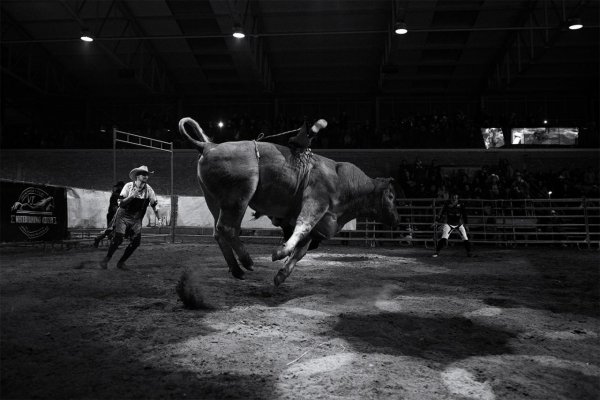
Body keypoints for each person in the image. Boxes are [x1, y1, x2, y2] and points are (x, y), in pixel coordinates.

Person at [100, 166, 159, 269]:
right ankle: (107, 259)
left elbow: (154, 205)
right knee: (118, 238)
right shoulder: (128, 186)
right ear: (137, 176)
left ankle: (121, 262)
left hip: (136, 219)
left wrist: (159, 218)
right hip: (123, 215)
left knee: (136, 242)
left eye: (147, 174)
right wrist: (132, 196)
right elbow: (120, 203)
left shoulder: (149, 190)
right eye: (143, 174)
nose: (146, 176)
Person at [433, 193, 472, 257]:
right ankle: (437, 252)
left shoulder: (461, 204)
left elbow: (464, 214)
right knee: (444, 238)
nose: (454, 200)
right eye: (453, 198)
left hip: (459, 224)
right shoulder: (447, 204)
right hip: (449, 223)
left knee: (465, 238)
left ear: (457, 199)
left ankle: (469, 252)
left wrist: (466, 224)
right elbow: (442, 213)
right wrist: (437, 221)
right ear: (451, 198)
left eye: (455, 198)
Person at [93, 181, 125, 248]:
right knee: (113, 230)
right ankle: (111, 243)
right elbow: (114, 207)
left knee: (111, 230)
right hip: (114, 215)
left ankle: (99, 239)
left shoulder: (118, 195)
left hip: (114, 214)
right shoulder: (116, 195)